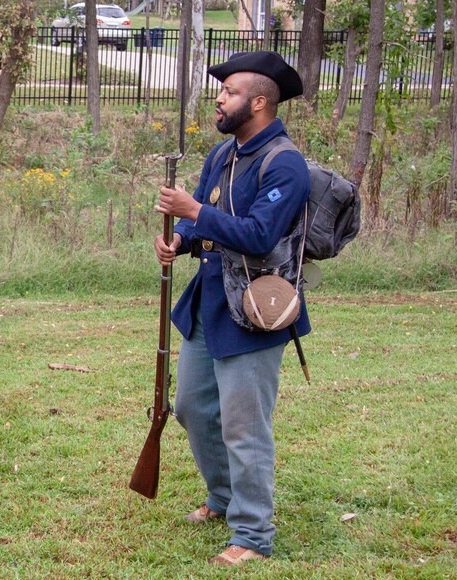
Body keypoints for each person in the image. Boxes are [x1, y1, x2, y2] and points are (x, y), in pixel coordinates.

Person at [153, 51, 311, 566]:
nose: (219, 99)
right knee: (192, 409)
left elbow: (262, 237)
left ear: (259, 102)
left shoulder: (284, 162)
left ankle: (254, 534)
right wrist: (179, 236)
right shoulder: (224, 154)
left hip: (257, 309)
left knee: (245, 426)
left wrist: (193, 212)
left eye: (230, 92)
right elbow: (201, 209)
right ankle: (223, 499)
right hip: (212, 301)